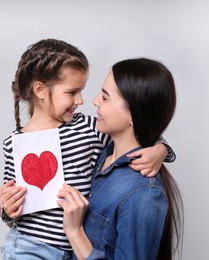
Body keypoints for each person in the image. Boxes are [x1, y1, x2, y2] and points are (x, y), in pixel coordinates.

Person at [0, 39, 176, 259]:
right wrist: (7, 212)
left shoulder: (88, 128)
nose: (82, 100)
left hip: (72, 250)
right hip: (29, 248)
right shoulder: (14, 144)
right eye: (72, 92)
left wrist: (161, 148)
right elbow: (15, 204)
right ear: (40, 90)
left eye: (82, 90)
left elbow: (140, 125)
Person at [57, 57, 184, 259]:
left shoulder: (143, 193)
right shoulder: (99, 150)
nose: (95, 100)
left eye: (105, 97)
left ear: (133, 114)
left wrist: (75, 233)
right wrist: (8, 211)